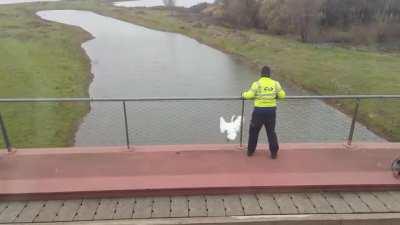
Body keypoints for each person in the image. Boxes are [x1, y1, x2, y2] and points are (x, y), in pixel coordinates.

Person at [242, 66, 286, 159]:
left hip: (259, 112)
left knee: (254, 131)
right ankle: (274, 153)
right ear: (269, 74)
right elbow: (282, 96)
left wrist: (243, 94)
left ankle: (250, 151)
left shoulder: (257, 84)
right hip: (271, 111)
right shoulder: (275, 84)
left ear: (261, 74)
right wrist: (275, 95)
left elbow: (249, 95)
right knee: (271, 132)